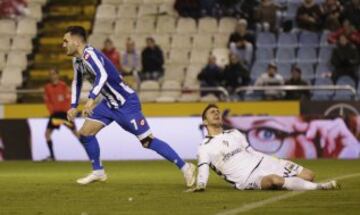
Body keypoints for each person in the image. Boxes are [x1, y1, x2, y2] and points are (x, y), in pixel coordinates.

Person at [62, 26, 195, 185]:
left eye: (66, 41)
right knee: (85, 133)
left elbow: (102, 74)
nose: (63, 45)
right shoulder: (77, 60)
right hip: (108, 104)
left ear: (76, 42)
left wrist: (90, 99)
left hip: (126, 103)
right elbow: (77, 82)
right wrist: (73, 105)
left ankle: (186, 167)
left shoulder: (90, 54)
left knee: (147, 141)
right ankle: (98, 172)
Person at [187, 104, 340, 192]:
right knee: (274, 180)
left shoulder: (234, 133)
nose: (216, 113)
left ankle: (300, 183)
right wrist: (200, 185)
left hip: (264, 161)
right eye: (212, 112)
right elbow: (203, 168)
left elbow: (251, 151)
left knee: (309, 174)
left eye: (218, 111)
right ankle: (320, 187)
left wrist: (272, 161)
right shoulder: (204, 147)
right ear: (205, 122)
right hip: (248, 178)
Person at [43, 68, 79, 161]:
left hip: (64, 114)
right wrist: (52, 112)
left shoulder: (63, 86)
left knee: (76, 133)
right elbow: (47, 101)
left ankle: (91, 153)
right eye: (51, 74)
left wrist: (69, 112)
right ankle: (52, 156)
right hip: (55, 115)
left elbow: (68, 99)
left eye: (54, 74)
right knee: (47, 134)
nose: (52, 76)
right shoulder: (47, 87)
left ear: (57, 75)